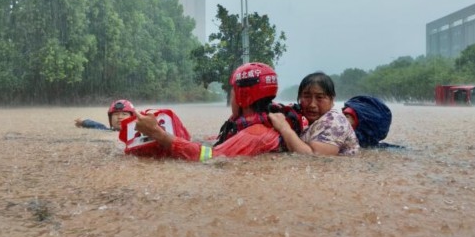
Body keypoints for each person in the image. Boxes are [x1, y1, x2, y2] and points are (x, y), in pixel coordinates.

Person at [123, 62, 306, 161]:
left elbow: (210, 158)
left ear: (243, 96)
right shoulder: (267, 119)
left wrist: (158, 134)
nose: (231, 96)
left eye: (232, 91)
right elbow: (223, 144)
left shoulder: (254, 134)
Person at [269, 72, 359, 156]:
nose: (312, 104)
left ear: (332, 99)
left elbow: (313, 157)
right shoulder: (317, 122)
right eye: (307, 96)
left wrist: (284, 128)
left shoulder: (333, 121)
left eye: (319, 97)